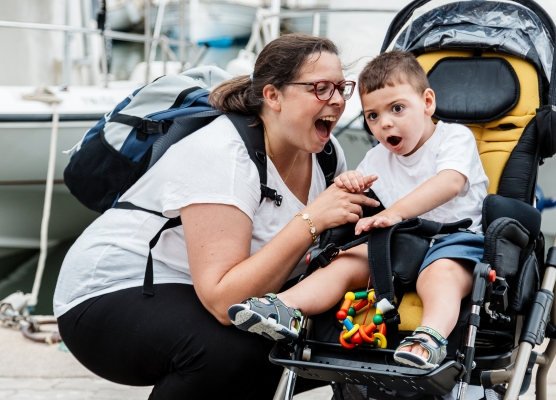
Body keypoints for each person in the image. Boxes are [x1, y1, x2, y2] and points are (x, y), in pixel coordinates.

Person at [53, 34, 380, 399]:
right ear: (272, 96)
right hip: (110, 291)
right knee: (230, 353)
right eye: (320, 88)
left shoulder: (326, 154)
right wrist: (312, 220)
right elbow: (224, 302)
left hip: (202, 288)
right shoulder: (223, 153)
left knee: (328, 344)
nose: (336, 100)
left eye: (340, 87)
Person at [229, 50, 489, 371]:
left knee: (440, 276)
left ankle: (429, 338)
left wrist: (395, 212)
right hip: (401, 244)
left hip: (454, 240)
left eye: (397, 108)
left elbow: (450, 182)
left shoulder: (454, 137)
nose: (385, 123)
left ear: (427, 103)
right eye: (373, 116)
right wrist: (349, 182)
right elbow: (360, 195)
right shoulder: (378, 157)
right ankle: (285, 308)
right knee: (345, 262)